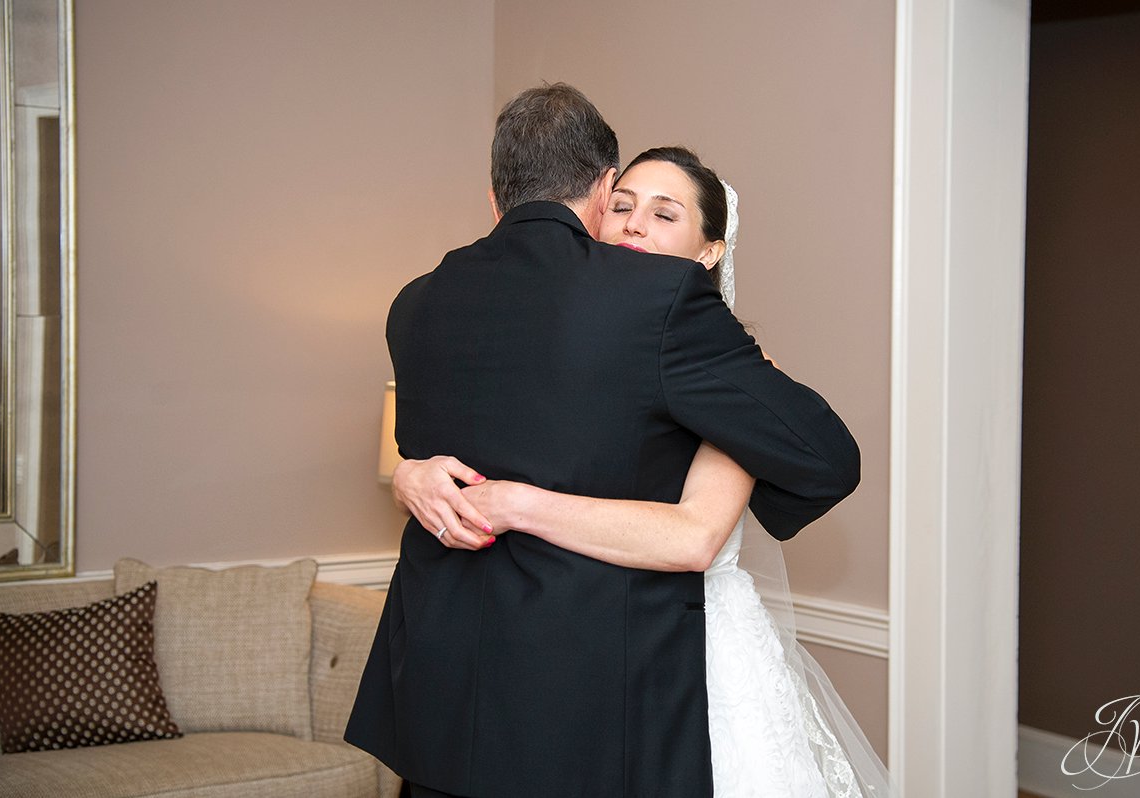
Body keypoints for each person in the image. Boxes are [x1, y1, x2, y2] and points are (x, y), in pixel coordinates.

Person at [344, 84, 860, 798]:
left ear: (497, 196)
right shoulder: (654, 305)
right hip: (583, 703)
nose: (634, 227)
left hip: (442, 694)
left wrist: (436, 480)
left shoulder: (416, 303)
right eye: (625, 205)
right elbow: (826, 459)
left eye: (663, 213)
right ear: (603, 189)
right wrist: (410, 476)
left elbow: (482, 463)